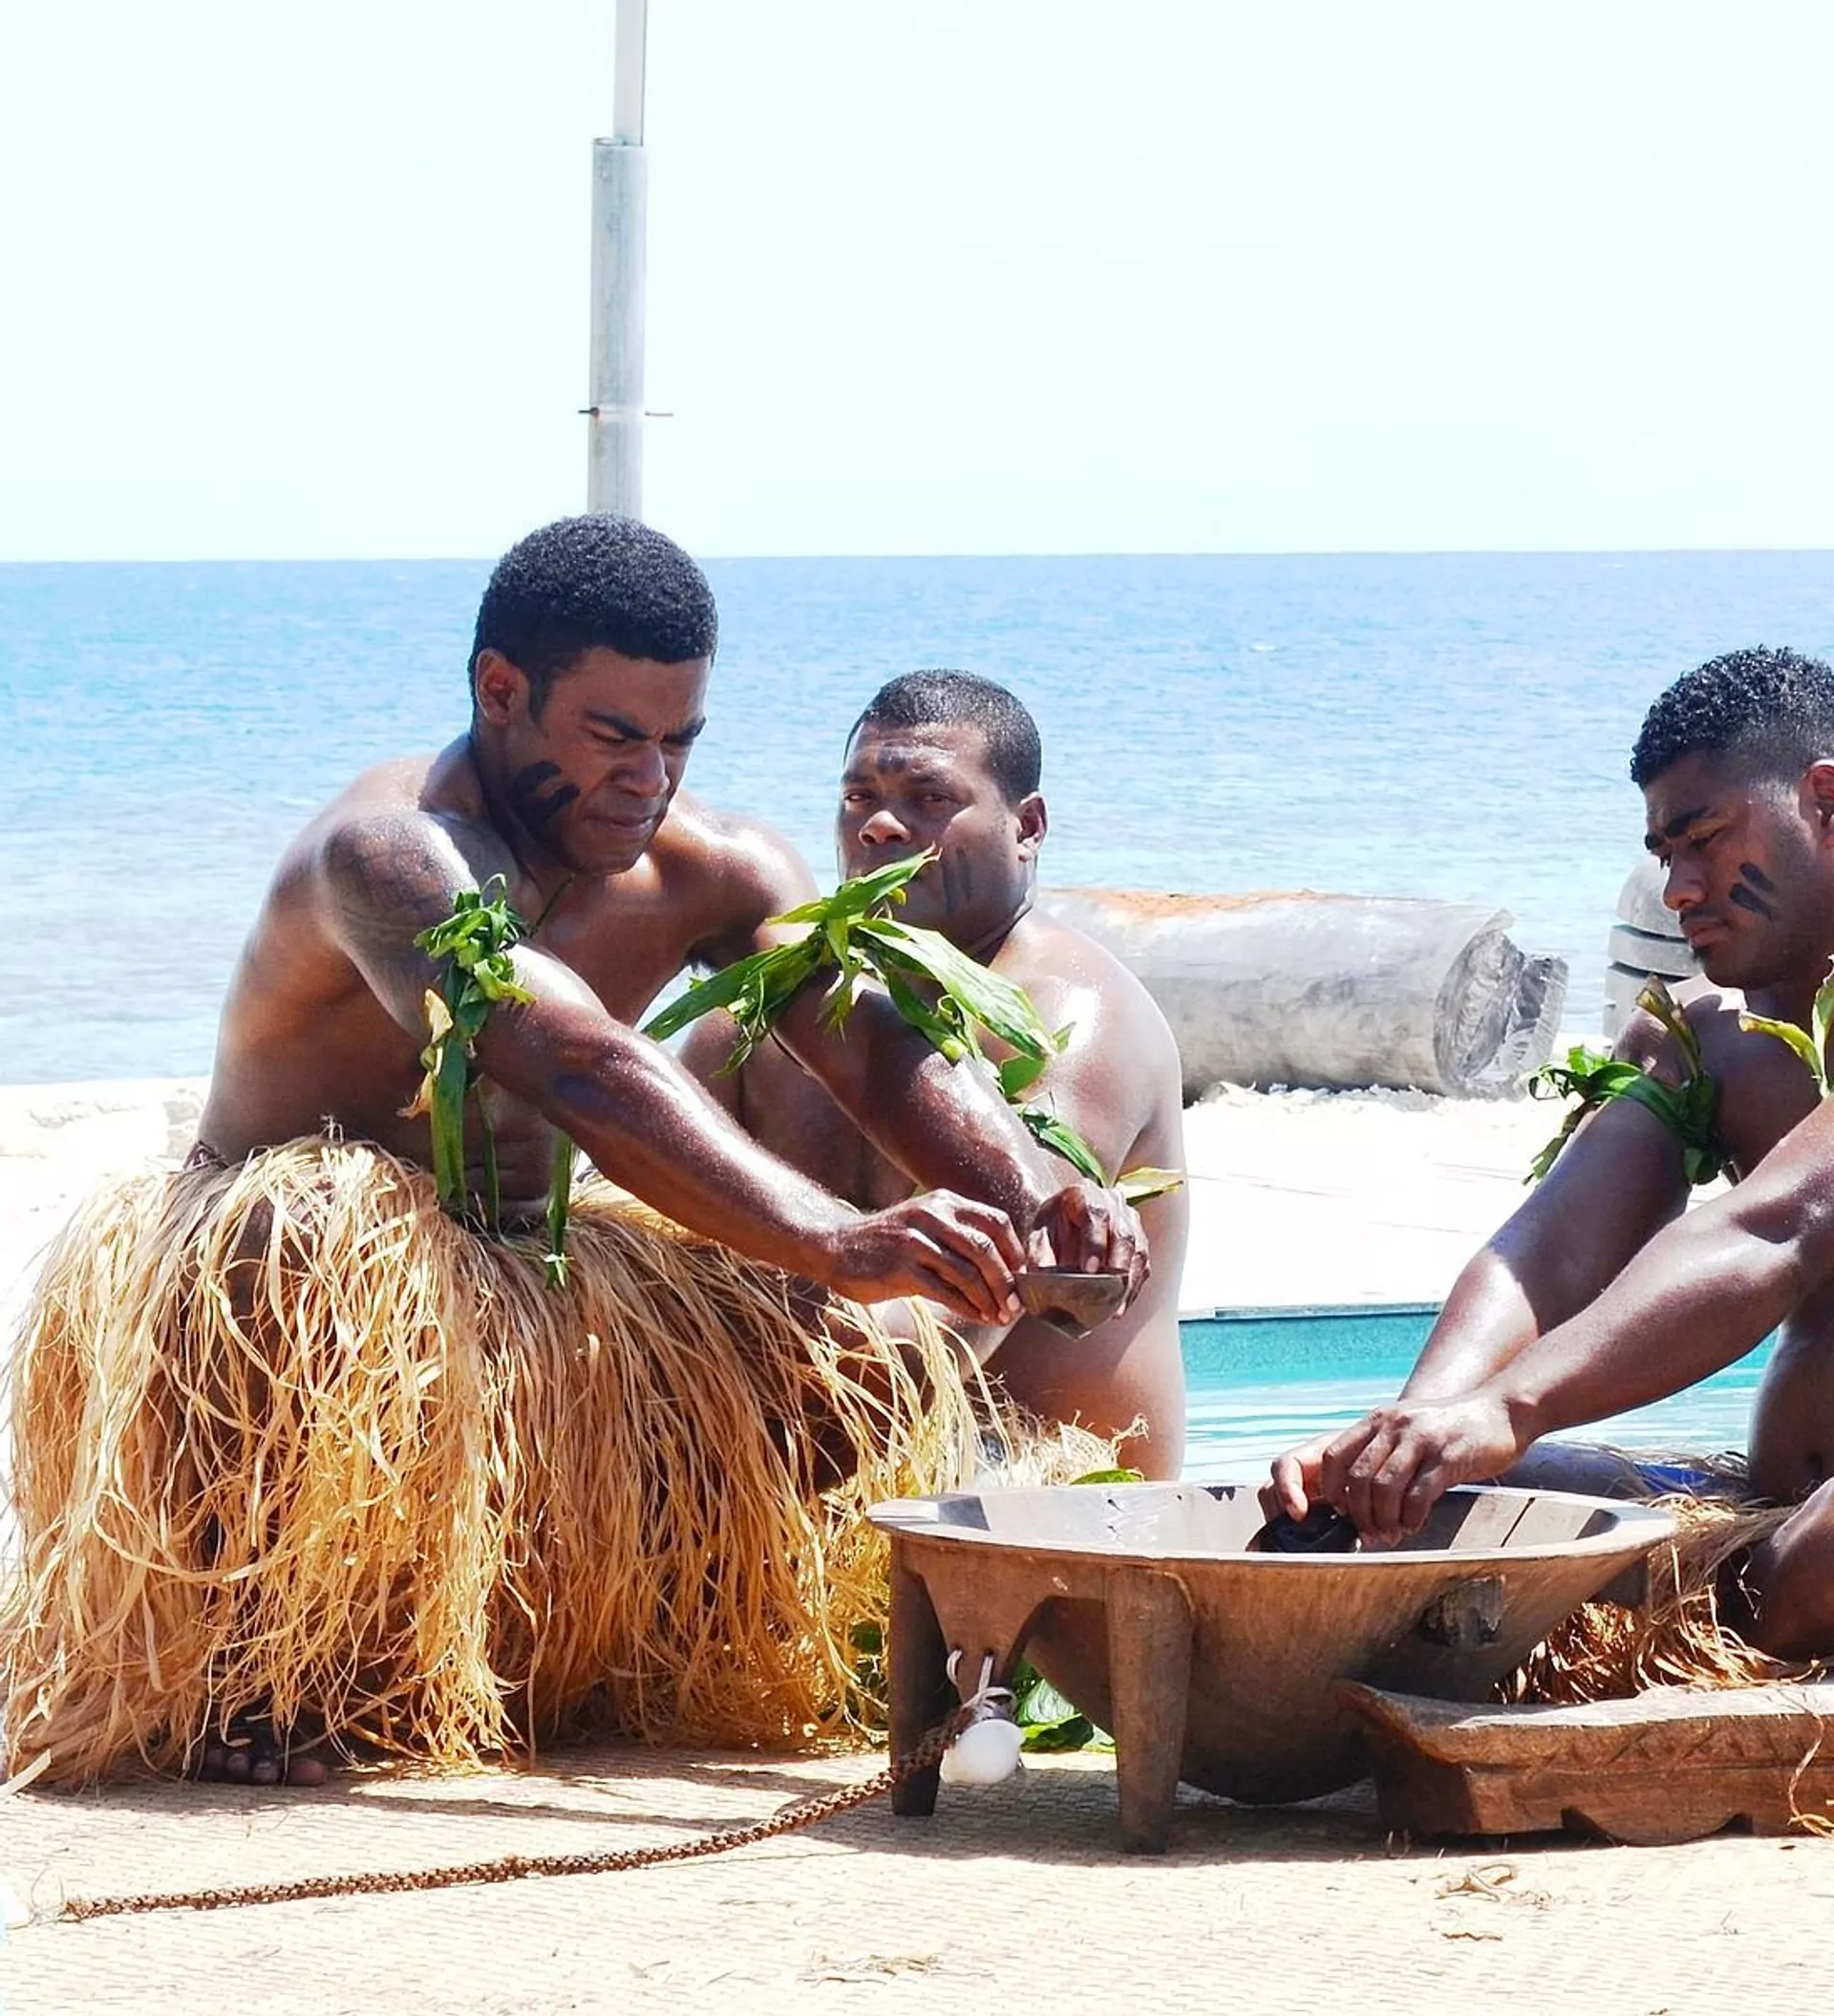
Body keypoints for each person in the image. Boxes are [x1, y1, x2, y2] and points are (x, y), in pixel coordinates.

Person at [4, 518, 1144, 1788]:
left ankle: (600, 1642)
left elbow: (870, 1038)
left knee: (834, 1355)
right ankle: (263, 1654)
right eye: (614, 737)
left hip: (530, 1270)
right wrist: (836, 1237)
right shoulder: (390, 856)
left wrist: (1041, 1197)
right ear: (502, 691)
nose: (650, 778)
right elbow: (579, 1062)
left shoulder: (717, 866)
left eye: (679, 740)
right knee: (295, 1238)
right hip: (286, 1310)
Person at [1266, 645, 1834, 1659]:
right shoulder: (1698, 1042)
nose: (1680, 889)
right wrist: (1412, 1438)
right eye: (1663, 854)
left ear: (1824, 801)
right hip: (1774, 1518)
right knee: (1453, 1501)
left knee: (1811, 1563)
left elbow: (1778, 1227)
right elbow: (1553, 1250)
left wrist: (1513, 1404)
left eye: (1706, 839)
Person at [681, 670, 1189, 1477]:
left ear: (1027, 826)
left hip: (1042, 1501)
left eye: (929, 799)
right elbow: (654, 1215)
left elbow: (971, 1312)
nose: (881, 825)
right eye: (859, 798)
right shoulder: (759, 1021)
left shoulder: (1067, 1019)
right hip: (811, 1472)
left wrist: (696, 1431)